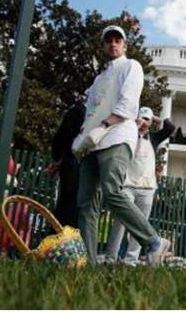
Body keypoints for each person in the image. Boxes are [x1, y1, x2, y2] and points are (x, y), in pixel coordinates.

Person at [74, 25, 170, 266]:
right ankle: (90, 263)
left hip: (116, 135)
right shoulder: (98, 80)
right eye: (109, 41)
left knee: (112, 191)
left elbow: (128, 105)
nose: (113, 44)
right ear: (104, 45)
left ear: (125, 45)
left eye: (118, 40)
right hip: (92, 142)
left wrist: (104, 126)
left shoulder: (131, 66)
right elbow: (90, 112)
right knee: (86, 203)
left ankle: (154, 242)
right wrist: (83, 137)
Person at [104, 106, 176, 266]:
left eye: (147, 120)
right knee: (120, 223)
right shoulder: (128, 134)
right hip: (127, 185)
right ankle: (110, 258)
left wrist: (155, 118)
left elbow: (170, 127)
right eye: (142, 119)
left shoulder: (154, 138)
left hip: (147, 188)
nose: (144, 123)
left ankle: (131, 260)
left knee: (141, 225)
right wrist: (135, 125)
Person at [45, 102, 86, 228]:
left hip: (73, 160)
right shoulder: (99, 113)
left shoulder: (78, 111)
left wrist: (57, 157)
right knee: (76, 203)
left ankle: (60, 234)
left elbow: (62, 135)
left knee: (67, 201)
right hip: (83, 161)